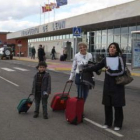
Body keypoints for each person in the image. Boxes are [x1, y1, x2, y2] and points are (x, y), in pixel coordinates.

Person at [83, 42, 125, 131]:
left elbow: (122, 71)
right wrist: (86, 69)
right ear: (108, 49)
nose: (112, 49)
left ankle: (118, 124)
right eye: (110, 47)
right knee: (107, 104)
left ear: (116, 49)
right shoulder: (106, 59)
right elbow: (97, 66)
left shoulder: (120, 58)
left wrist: (110, 72)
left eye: (114, 47)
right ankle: (108, 123)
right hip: (108, 85)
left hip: (117, 86)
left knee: (118, 105)